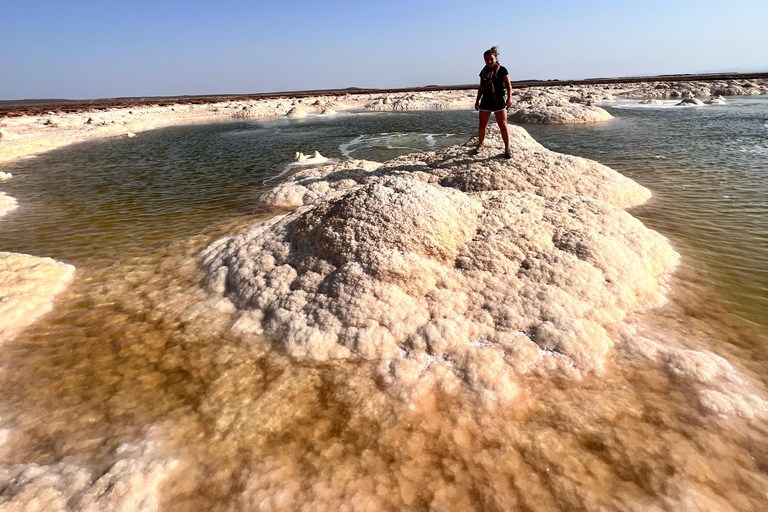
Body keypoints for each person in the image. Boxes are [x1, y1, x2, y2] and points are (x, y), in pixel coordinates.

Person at [474, 46, 513, 158]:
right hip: (486, 100)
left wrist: (510, 98)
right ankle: (480, 144)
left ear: (495, 58)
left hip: (499, 100)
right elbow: (481, 87)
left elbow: (508, 85)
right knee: (482, 125)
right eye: (486, 60)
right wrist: (477, 101)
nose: (489, 61)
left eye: (491, 59)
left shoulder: (502, 70)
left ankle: (507, 148)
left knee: (503, 125)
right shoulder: (483, 72)